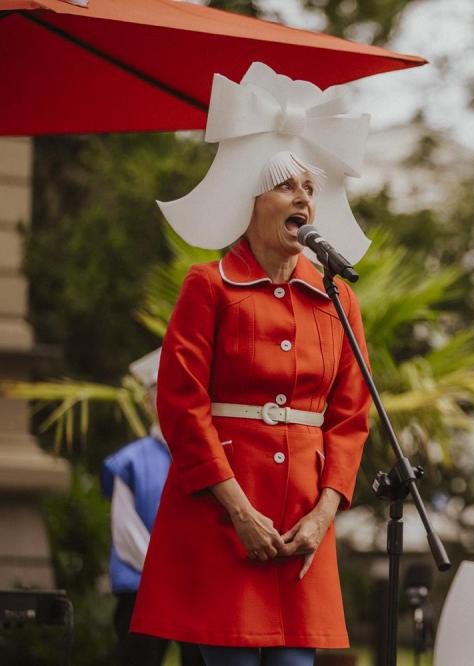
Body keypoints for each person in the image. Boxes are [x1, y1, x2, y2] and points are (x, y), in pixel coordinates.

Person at [130, 62, 374, 666]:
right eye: (286, 185)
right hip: (222, 516)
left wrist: (324, 513)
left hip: (305, 525)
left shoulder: (338, 297)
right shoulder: (208, 285)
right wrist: (238, 510)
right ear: (253, 201)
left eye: (309, 187)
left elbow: (351, 417)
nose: (303, 197)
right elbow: (181, 406)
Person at [101, 348, 204, 666]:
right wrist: (168, 574)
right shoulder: (130, 461)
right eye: (162, 393)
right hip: (142, 587)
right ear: (148, 402)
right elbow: (126, 533)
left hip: (200, 588)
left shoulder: (208, 456)